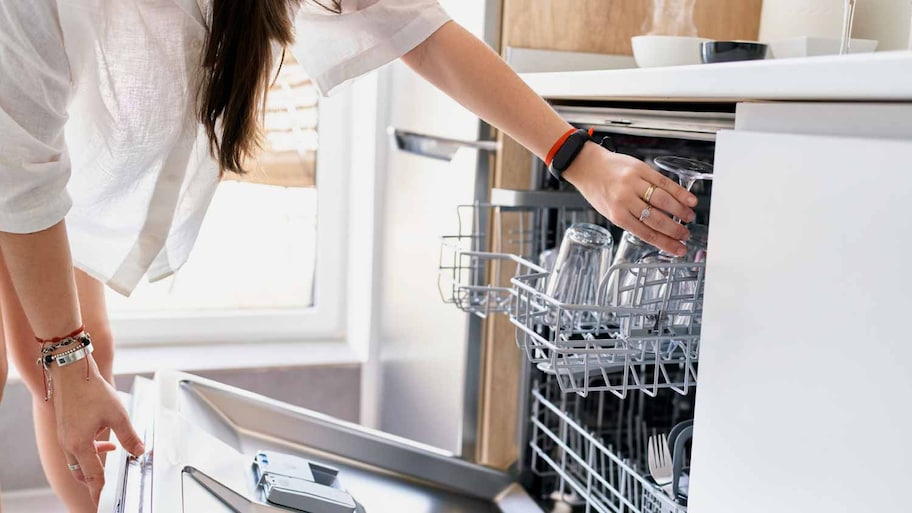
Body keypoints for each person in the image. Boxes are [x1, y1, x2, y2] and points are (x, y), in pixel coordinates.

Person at [0, 0, 697, 510]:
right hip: (16, 152)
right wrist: (64, 355)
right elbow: (19, 174)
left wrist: (573, 154)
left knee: (82, 363)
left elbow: (420, 33)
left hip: (46, 167)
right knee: (50, 365)